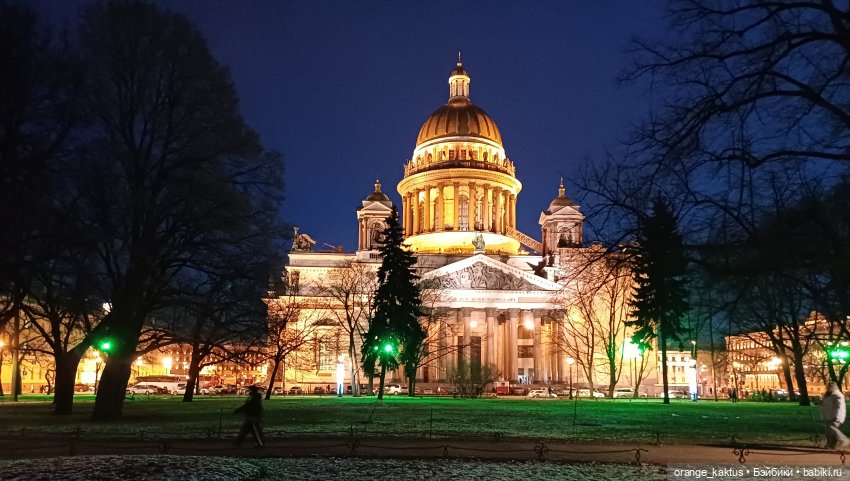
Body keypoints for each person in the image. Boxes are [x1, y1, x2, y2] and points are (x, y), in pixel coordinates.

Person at [821, 382, 850, 449]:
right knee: (828, 432)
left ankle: (843, 439)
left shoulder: (837, 395)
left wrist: (837, 416)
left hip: (835, 416)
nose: (827, 388)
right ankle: (830, 445)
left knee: (832, 430)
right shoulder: (828, 395)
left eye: (828, 387)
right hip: (828, 415)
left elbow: (840, 407)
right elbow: (826, 404)